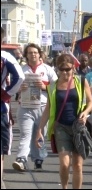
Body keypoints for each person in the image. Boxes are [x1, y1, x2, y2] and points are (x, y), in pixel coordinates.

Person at [35, 53, 92, 189]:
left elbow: (90, 102)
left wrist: (85, 113)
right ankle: (64, 187)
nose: (65, 72)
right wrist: (39, 130)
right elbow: (48, 110)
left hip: (78, 127)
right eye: (62, 69)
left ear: (73, 68)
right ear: (57, 69)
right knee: (64, 164)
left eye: (68, 69)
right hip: (61, 127)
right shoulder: (51, 86)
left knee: (78, 165)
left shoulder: (82, 80)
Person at [12, 43, 58, 172]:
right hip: (25, 107)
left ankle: (38, 159)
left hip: (43, 107)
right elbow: (13, 86)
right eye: (30, 52)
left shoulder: (47, 69)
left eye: (35, 52)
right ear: (26, 55)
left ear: (39, 54)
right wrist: (20, 88)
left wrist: (44, 87)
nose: (33, 54)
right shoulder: (21, 69)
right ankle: (21, 159)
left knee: (39, 135)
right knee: (25, 134)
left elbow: (57, 86)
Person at [1, 27, 25, 187]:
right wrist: (6, 94)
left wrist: (6, 95)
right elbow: (20, 77)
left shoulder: (5, 57)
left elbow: (20, 77)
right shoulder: (5, 56)